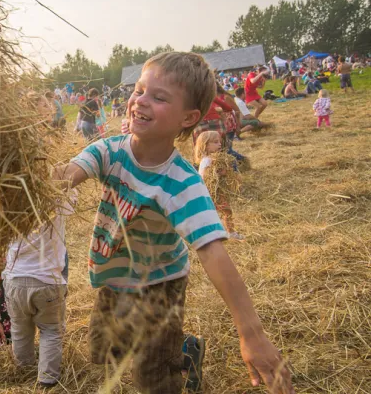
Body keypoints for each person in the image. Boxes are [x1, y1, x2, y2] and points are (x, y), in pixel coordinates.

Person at [54, 52, 293, 393]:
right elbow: (64, 178)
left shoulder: (182, 183)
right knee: (107, 350)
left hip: (160, 286)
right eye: (138, 91)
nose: (140, 101)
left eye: (159, 97)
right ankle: (180, 350)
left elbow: (213, 252)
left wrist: (251, 334)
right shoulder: (109, 151)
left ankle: (180, 354)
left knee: (153, 377)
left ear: (188, 117)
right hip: (115, 275)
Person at [3, 192, 75, 388]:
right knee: (51, 331)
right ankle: (47, 380)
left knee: (19, 328)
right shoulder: (57, 197)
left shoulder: (6, 199)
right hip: (48, 281)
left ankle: (23, 370)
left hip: (15, 279)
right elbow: (72, 196)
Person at [195, 131, 243, 240]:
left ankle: (228, 232)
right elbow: (205, 176)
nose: (220, 144)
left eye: (219, 142)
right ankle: (228, 232)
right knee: (225, 211)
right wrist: (220, 173)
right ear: (205, 145)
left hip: (218, 191)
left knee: (224, 211)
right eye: (215, 142)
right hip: (211, 192)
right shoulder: (207, 160)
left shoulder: (215, 158)